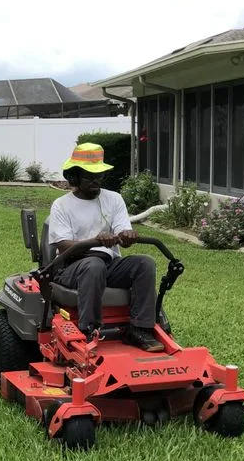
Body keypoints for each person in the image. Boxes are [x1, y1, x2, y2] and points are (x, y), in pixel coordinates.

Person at [48, 142, 164, 353]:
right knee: (93, 266)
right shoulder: (61, 205)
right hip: (71, 266)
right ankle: (88, 330)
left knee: (144, 264)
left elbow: (122, 230)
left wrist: (127, 235)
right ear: (74, 177)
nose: (95, 181)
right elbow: (63, 245)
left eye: (99, 176)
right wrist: (95, 241)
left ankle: (139, 329)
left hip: (108, 263)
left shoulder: (114, 199)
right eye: (89, 176)